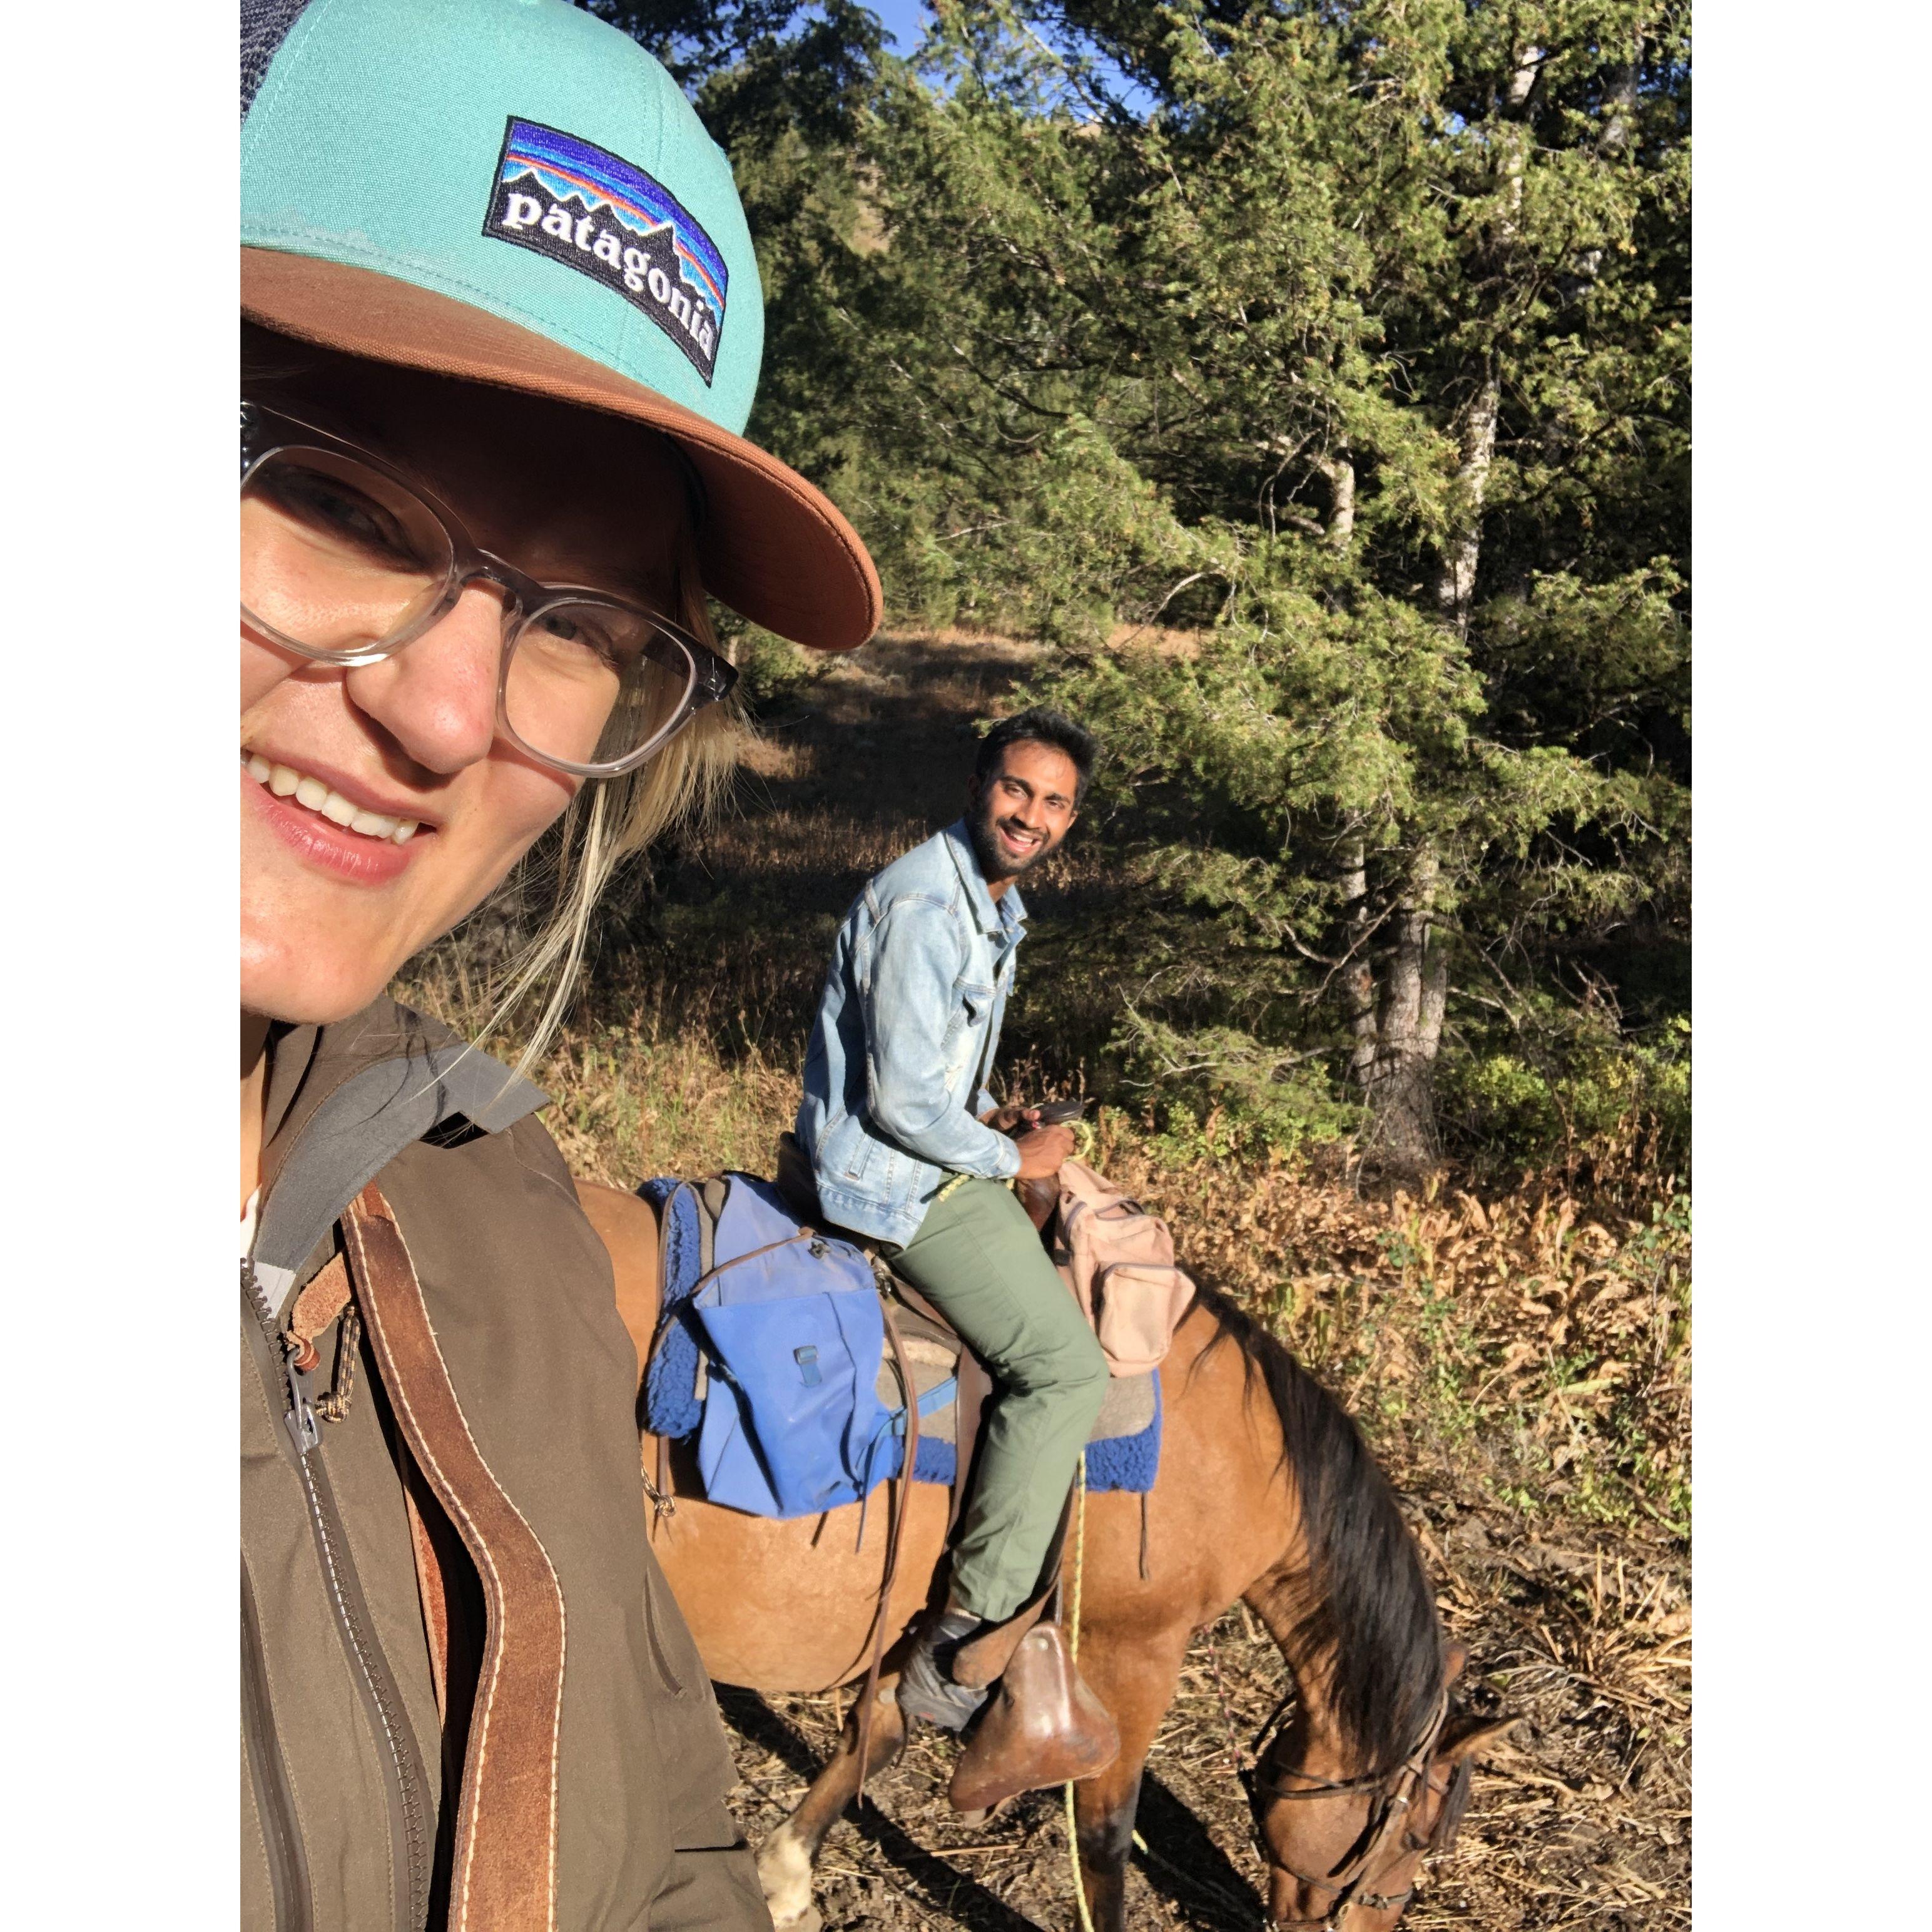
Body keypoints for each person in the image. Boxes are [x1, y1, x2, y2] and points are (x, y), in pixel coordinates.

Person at [240, 3, 880, 1925]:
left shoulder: (498, 1203)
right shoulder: (931, 898)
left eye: (582, 620)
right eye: (346, 504)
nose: (450, 715)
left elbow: (670, 1836)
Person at [793, 708, 1106, 1728]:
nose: (1032, 815)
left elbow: (930, 1079)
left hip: (923, 1154)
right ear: (980, 785)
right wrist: (1010, 1156)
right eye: (1018, 790)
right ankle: (959, 1644)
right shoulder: (930, 906)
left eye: (1055, 803)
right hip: (891, 1184)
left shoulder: (990, 903)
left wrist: (991, 1117)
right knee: (1066, 1371)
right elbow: (897, 1105)